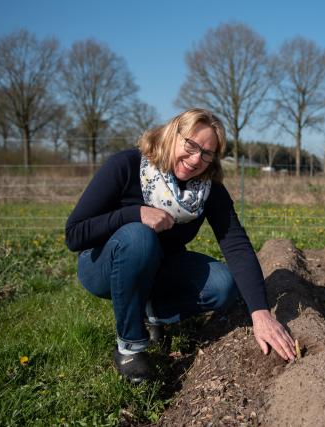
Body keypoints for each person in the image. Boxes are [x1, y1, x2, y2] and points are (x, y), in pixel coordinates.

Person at [65, 108, 296, 384]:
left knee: (223, 285)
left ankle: (150, 312)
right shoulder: (126, 165)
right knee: (139, 236)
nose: (196, 159)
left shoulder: (207, 189)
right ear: (172, 134)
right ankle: (130, 348)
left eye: (206, 153)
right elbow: (75, 234)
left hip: (160, 267)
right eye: (191, 145)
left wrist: (260, 313)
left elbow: (235, 244)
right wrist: (134, 214)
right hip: (102, 265)